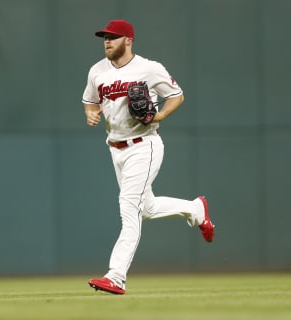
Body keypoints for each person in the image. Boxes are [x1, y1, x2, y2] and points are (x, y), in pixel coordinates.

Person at [82, 19, 215, 295]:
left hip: (145, 145)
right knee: (147, 207)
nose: (107, 41)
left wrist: (161, 114)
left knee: (129, 206)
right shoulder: (97, 71)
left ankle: (116, 275)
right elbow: (90, 100)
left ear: (128, 40)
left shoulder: (149, 68)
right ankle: (195, 209)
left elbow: (177, 96)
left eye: (113, 37)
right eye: (104, 37)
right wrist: (91, 113)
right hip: (115, 148)